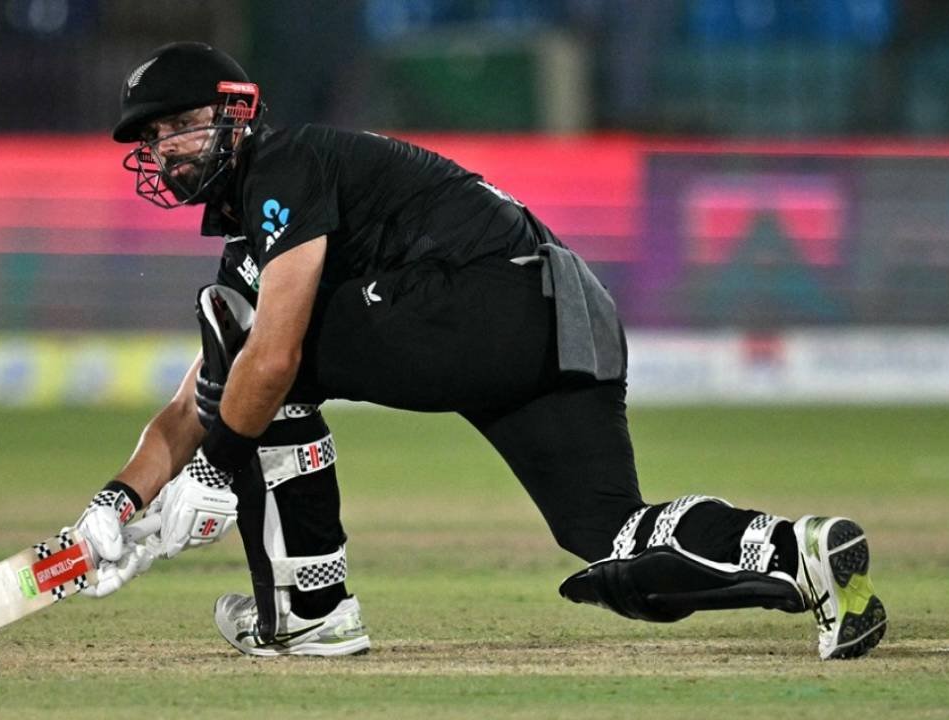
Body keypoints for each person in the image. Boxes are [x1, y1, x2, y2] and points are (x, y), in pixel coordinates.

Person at [69, 41, 886, 661]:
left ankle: (310, 611)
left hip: (484, 295)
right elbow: (196, 400)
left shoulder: (283, 163)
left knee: (254, 353)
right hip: (564, 314)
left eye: (178, 125)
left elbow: (268, 359)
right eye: (153, 136)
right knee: (610, 531)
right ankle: (800, 552)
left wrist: (215, 473)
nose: (165, 147)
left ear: (238, 113)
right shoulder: (261, 228)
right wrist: (117, 504)